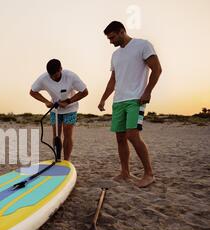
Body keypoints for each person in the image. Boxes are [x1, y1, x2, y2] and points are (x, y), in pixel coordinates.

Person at [98, 21, 162, 188]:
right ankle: (125, 172)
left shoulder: (143, 45)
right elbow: (113, 80)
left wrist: (148, 91)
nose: (110, 41)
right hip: (118, 100)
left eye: (112, 37)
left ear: (121, 32)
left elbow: (157, 69)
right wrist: (103, 98)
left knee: (132, 136)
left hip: (136, 99)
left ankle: (149, 174)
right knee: (120, 138)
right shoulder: (115, 55)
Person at [30, 59, 88, 161]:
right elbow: (32, 92)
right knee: (56, 134)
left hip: (71, 108)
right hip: (55, 109)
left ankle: (66, 160)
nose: (53, 78)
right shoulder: (43, 78)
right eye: (51, 75)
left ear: (60, 69)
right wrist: (46, 101)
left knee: (67, 132)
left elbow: (84, 92)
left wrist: (68, 101)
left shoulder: (71, 76)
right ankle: (57, 158)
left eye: (55, 75)